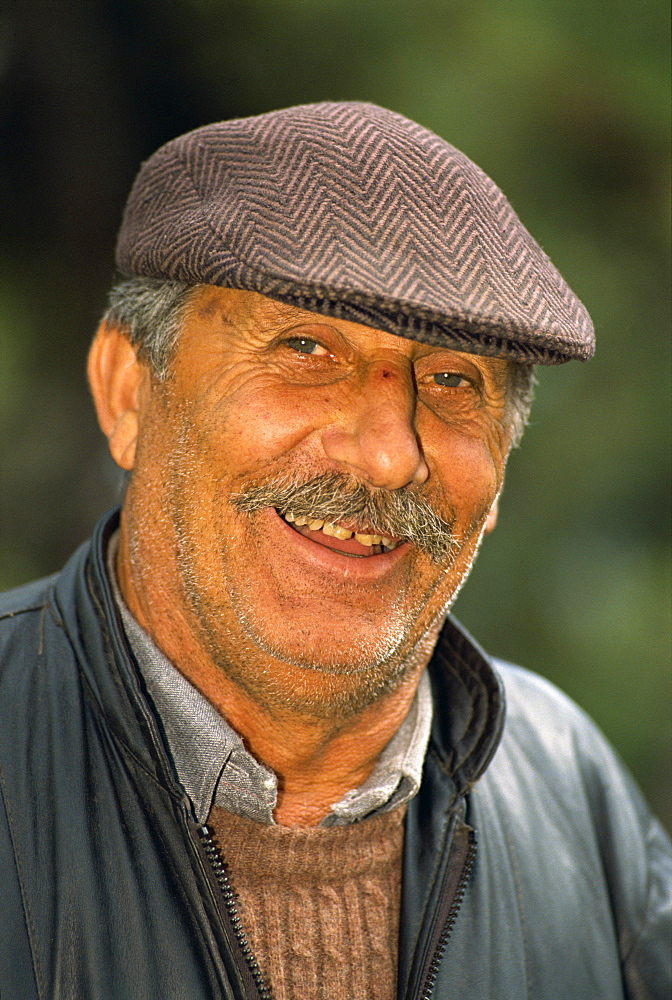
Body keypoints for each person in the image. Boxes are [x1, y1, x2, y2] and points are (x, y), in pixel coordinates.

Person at [0, 101, 669, 1000]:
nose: (390, 451)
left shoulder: (570, 790)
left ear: (502, 472)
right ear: (128, 391)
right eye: (305, 346)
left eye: (450, 380)